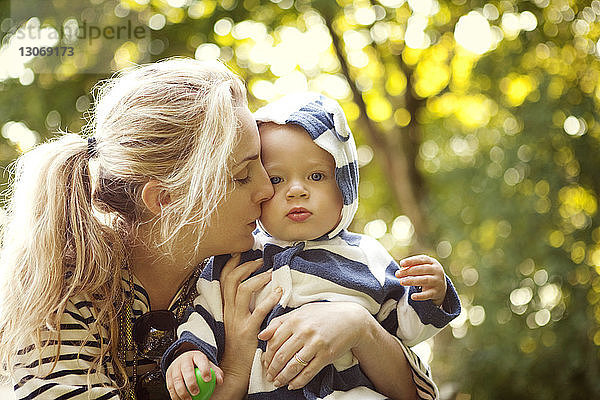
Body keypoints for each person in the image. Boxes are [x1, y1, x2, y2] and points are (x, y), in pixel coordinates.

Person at [0, 59, 439, 400]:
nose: (269, 190)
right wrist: (230, 377)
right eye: (244, 175)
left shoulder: (249, 270)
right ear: (165, 199)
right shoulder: (65, 303)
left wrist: (358, 325)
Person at [163, 93, 460, 399]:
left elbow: (405, 328)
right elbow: (204, 314)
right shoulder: (233, 262)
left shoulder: (366, 255)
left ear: (344, 185)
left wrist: (430, 294)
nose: (296, 191)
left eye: (316, 176)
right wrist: (189, 354)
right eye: (276, 179)